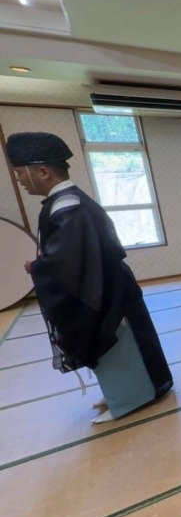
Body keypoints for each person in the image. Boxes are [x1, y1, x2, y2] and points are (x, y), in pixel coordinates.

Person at [9, 131, 172, 424]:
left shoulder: (68, 206)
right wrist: (43, 263)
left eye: (20, 172)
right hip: (104, 285)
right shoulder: (67, 202)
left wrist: (38, 267)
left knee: (119, 343)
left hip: (105, 291)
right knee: (114, 346)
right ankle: (120, 392)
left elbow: (70, 258)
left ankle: (131, 398)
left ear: (43, 171)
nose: (19, 179)